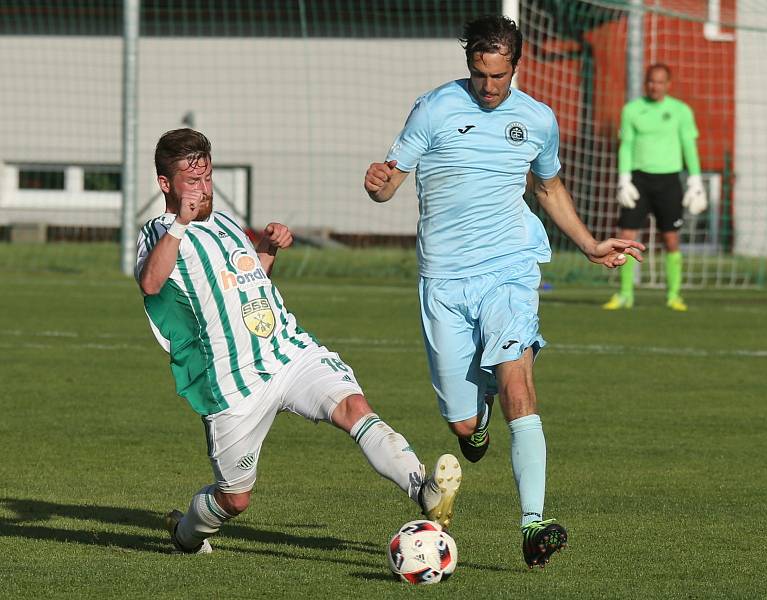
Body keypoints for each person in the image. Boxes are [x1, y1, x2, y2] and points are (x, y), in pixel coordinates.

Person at [363, 15, 644, 569]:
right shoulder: (434, 108)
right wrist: (377, 186)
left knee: (519, 385)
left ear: (517, 65)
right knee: (463, 426)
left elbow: (547, 185)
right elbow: (390, 181)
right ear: (469, 63)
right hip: (444, 279)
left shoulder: (537, 119)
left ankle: (533, 523)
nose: (489, 88)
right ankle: (477, 420)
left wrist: (588, 245)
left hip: (510, 268)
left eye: (499, 75)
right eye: (479, 74)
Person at [135, 128, 462, 555]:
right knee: (235, 499)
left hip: (287, 351)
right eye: (192, 181)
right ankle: (187, 535)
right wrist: (180, 221)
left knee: (353, 407)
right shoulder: (160, 231)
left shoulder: (227, 225)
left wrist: (267, 250)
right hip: (232, 382)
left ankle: (424, 490)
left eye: (208, 178)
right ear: (166, 184)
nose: (203, 189)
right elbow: (151, 282)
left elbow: (250, 288)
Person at [604, 62, 707, 312]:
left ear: (668, 85)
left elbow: (689, 146)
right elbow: (626, 145)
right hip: (638, 181)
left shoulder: (681, 111)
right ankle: (625, 294)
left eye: (660, 82)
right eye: (651, 81)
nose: (654, 86)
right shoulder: (632, 110)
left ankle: (674, 295)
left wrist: (695, 179)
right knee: (626, 238)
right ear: (645, 82)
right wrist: (624, 178)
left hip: (670, 181)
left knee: (671, 239)